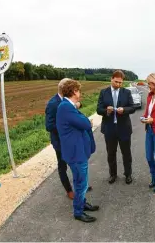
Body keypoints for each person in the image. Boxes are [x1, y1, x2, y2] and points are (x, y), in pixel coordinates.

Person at [56, 79, 99, 223]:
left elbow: (80, 121)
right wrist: (87, 121)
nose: (80, 93)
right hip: (76, 153)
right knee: (82, 183)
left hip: (76, 151)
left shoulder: (68, 106)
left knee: (79, 181)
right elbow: (85, 122)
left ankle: (82, 203)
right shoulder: (65, 107)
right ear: (74, 91)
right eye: (78, 90)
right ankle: (78, 211)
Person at [45, 78, 91, 200]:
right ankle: (69, 190)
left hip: (71, 140)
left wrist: (76, 107)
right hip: (60, 141)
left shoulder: (68, 102)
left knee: (75, 166)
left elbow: (74, 115)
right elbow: (49, 126)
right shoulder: (53, 104)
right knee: (63, 166)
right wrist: (66, 126)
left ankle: (81, 186)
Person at [97, 70, 135, 184]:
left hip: (124, 128)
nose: (118, 84)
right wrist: (106, 111)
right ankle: (113, 174)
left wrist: (124, 110)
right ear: (111, 79)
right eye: (116, 82)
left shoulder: (126, 92)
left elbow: (132, 107)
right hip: (109, 129)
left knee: (126, 153)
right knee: (111, 153)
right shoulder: (104, 92)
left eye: (120, 82)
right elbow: (98, 109)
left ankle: (128, 174)